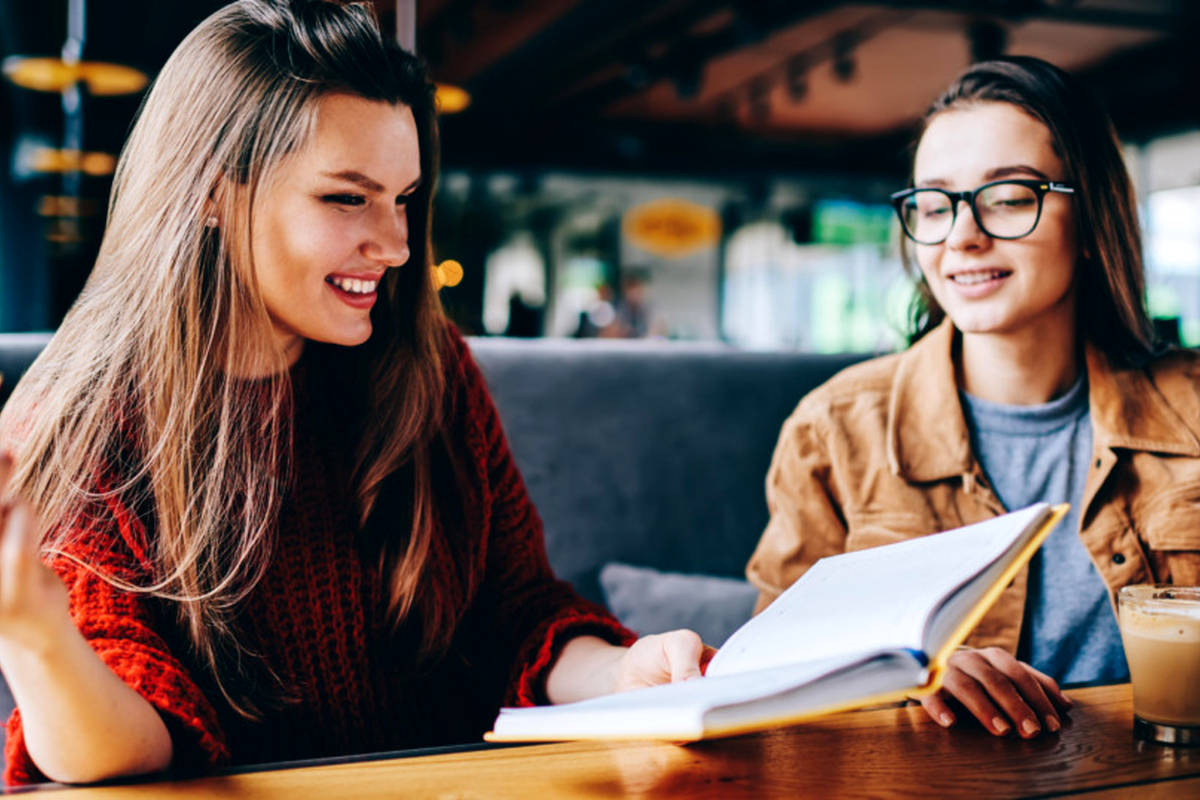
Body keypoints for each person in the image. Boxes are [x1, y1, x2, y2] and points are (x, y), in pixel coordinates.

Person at [0, 0, 708, 785]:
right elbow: (121, 749)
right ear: (211, 192)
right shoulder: (85, 421)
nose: (398, 245)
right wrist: (35, 636)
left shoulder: (427, 367)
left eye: (403, 198)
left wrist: (621, 672)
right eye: (346, 197)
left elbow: (518, 610)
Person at [746, 56, 1200, 740]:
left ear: (1092, 216)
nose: (961, 235)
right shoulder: (834, 430)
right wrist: (891, 674)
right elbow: (762, 680)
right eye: (933, 205)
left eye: (1009, 197)